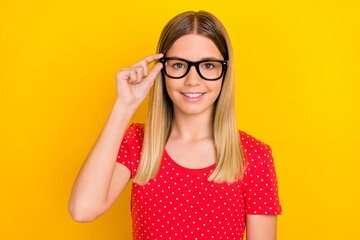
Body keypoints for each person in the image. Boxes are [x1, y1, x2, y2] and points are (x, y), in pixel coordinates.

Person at [68, 10, 282, 240]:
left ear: (224, 72)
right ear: (162, 70)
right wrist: (124, 106)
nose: (192, 80)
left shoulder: (254, 156)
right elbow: (82, 210)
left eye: (208, 65)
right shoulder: (137, 143)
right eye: (179, 65)